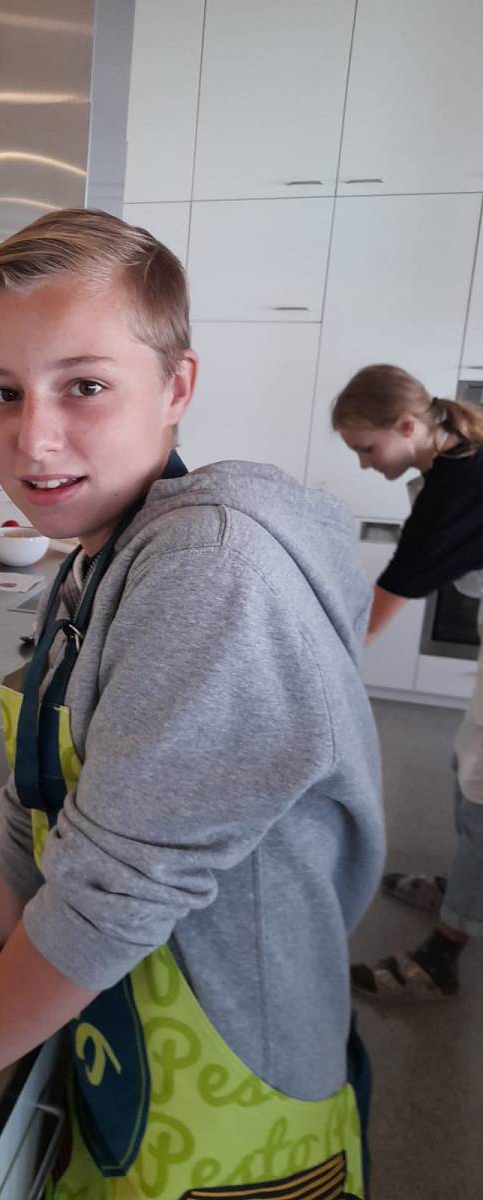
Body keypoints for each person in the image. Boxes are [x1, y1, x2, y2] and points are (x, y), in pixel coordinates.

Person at [0, 210, 383, 1198]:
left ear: (177, 387)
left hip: (237, 1099)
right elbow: (30, 824)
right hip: (121, 1043)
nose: (34, 439)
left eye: (84, 385)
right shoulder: (98, 558)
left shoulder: (211, 569)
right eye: (2, 392)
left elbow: (111, 894)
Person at [333, 363, 483, 1001]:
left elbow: (382, 604)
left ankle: (443, 955)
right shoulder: (449, 462)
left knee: (482, 787)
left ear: (404, 426)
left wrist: (314, 671)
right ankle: (465, 890)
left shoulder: (456, 485)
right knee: (465, 766)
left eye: (367, 449)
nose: (364, 464)